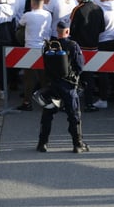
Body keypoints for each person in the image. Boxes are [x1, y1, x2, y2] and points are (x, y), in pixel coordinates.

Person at [36, 19, 89, 153]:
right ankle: (78, 144)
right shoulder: (73, 45)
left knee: (47, 114)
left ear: (57, 31)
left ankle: (42, 143)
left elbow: (46, 65)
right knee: (74, 115)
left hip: (52, 85)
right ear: (68, 31)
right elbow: (80, 66)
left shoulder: (49, 46)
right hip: (68, 86)